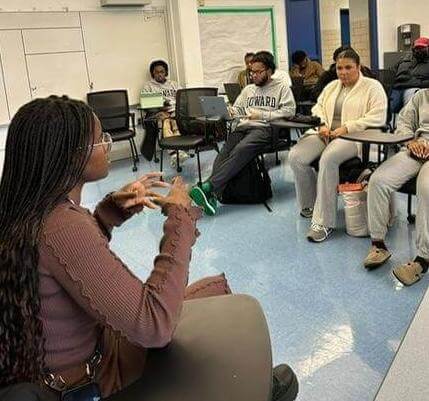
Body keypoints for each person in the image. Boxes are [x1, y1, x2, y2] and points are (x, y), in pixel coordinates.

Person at [0, 96, 297, 401]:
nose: (108, 143)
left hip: (56, 368)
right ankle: (251, 390)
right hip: (90, 378)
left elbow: (68, 267)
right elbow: (154, 325)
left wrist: (108, 214)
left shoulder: (25, 208)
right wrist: (180, 219)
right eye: (101, 138)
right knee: (217, 297)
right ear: (74, 156)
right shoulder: (63, 225)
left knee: (212, 296)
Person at [288, 49, 387, 242]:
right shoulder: (332, 86)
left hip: (354, 136)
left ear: (358, 67)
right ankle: (310, 205)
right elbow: (318, 107)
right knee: (296, 157)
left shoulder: (372, 87)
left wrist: (346, 128)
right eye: (340, 68)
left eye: (349, 67)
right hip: (324, 133)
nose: (343, 72)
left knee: (329, 158)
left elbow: (378, 115)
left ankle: (323, 222)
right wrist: (322, 124)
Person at [189, 51, 296, 216]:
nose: (253, 75)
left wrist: (262, 115)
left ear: (269, 71)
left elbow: (289, 111)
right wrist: (229, 112)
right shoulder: (248, 89)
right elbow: (239, 108)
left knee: (241, 149)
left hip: (265, 128)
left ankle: (209, 187)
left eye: (258, 72)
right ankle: (212, 195)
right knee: (224, 153)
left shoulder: (281, 88)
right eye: (251, 72)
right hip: (244, 127)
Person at [364, 89, 429, 286]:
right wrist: (411, 141)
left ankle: (423, 259)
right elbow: (404, 121)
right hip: (417, 147)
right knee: (378, 180)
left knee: (425, 187)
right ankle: (378, 244)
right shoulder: (422, 95)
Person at [142, 59, 188, 166]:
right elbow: (146, 104)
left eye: (161, 72)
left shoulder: (174, 84)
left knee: (174, 121)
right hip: (159, 113)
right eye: (156, 72)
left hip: (175, 112)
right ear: (152, 73)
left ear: (165, 72)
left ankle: (178, 151)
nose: (159, 74)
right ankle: (174, 152)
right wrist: (161, 107)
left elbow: (184, 98)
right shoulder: (148, 86)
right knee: (166, 121)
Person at [311, 45, 375, 101]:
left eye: (348, 67)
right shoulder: (328, 75)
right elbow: (315, 94)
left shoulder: (366, 72)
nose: (344, 72)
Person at [390, 37, 429, 113]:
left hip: (415, 88)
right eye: (417, 48)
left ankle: (408, 122)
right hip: (398, 87)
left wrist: (418, 83)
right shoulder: (404, 59)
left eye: (422, 48)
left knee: (410, 103)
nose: (419, 50)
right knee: (391, 106)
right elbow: (392, 71)